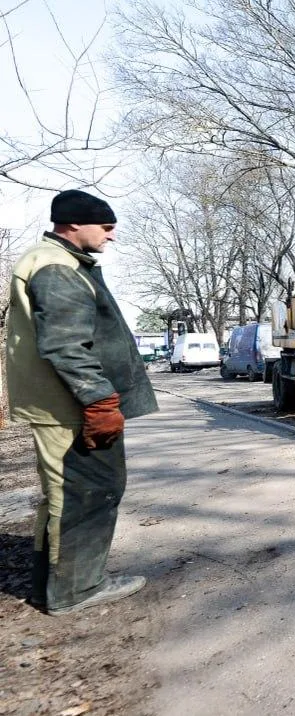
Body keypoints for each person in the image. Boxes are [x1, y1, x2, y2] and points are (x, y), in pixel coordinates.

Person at [6, 189, 158, 615]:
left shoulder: (54, 261)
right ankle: (76, 590)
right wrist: (98, 403)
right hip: (69, 408)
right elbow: (67, 346)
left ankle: (50, 588)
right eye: (106, 227)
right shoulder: (57, 267)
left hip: (64, 405)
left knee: (65, 493)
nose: (111, 236)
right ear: (73, 223)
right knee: (88, 491)